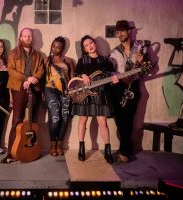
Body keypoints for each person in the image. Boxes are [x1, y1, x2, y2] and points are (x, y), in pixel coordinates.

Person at [71, 35, 118, 163]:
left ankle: (107, 151)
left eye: (91, 43)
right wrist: (82, 75)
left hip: (100, 93)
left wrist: (114, 79)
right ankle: (81, 148)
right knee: (83, 120)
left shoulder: (105, 60)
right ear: (84, 49)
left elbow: (112, 75)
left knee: (102, 122)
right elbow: (75, 76)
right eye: (86, 45)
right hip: (85, 93)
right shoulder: (82, 60)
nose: (89, 46)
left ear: (95, 44)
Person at [1, 27, 44, 163]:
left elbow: (41, 69)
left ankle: (31, 148)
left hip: (34, 88)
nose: (27, 38)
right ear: (20, 38)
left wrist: (33, 79)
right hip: (18, 88)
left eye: (30, 36)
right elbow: (11, 70)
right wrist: (26, 79)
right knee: (17, 120)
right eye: (25, 36)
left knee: (33, 120)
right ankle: (11, 153)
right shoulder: (14, 53)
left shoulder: (37, 55)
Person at [109, 20, 146, 163]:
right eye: (118, 32)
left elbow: (145, 71)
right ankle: (126, 149)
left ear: (129, 32)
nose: (120, 34)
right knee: (119, 119)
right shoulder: (113, 52)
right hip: (118, 87)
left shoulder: (139, 48)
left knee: (128, 119)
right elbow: (110, 71)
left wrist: (142, 61)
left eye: (122, 31)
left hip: (134, 85)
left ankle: (124, 151)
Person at [44, 36, 75, 156]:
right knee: (55, 118)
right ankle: (52, 143)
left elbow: (73, 79)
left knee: (65, 117)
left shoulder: (68, 61)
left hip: (65, 91)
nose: (55, 49)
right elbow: (43, 78)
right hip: (50, 91)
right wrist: (42, 93)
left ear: (62, 49)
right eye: (53, 46)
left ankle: (60, 143)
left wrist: (73, 92)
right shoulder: (47, 60)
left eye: (58, 47)